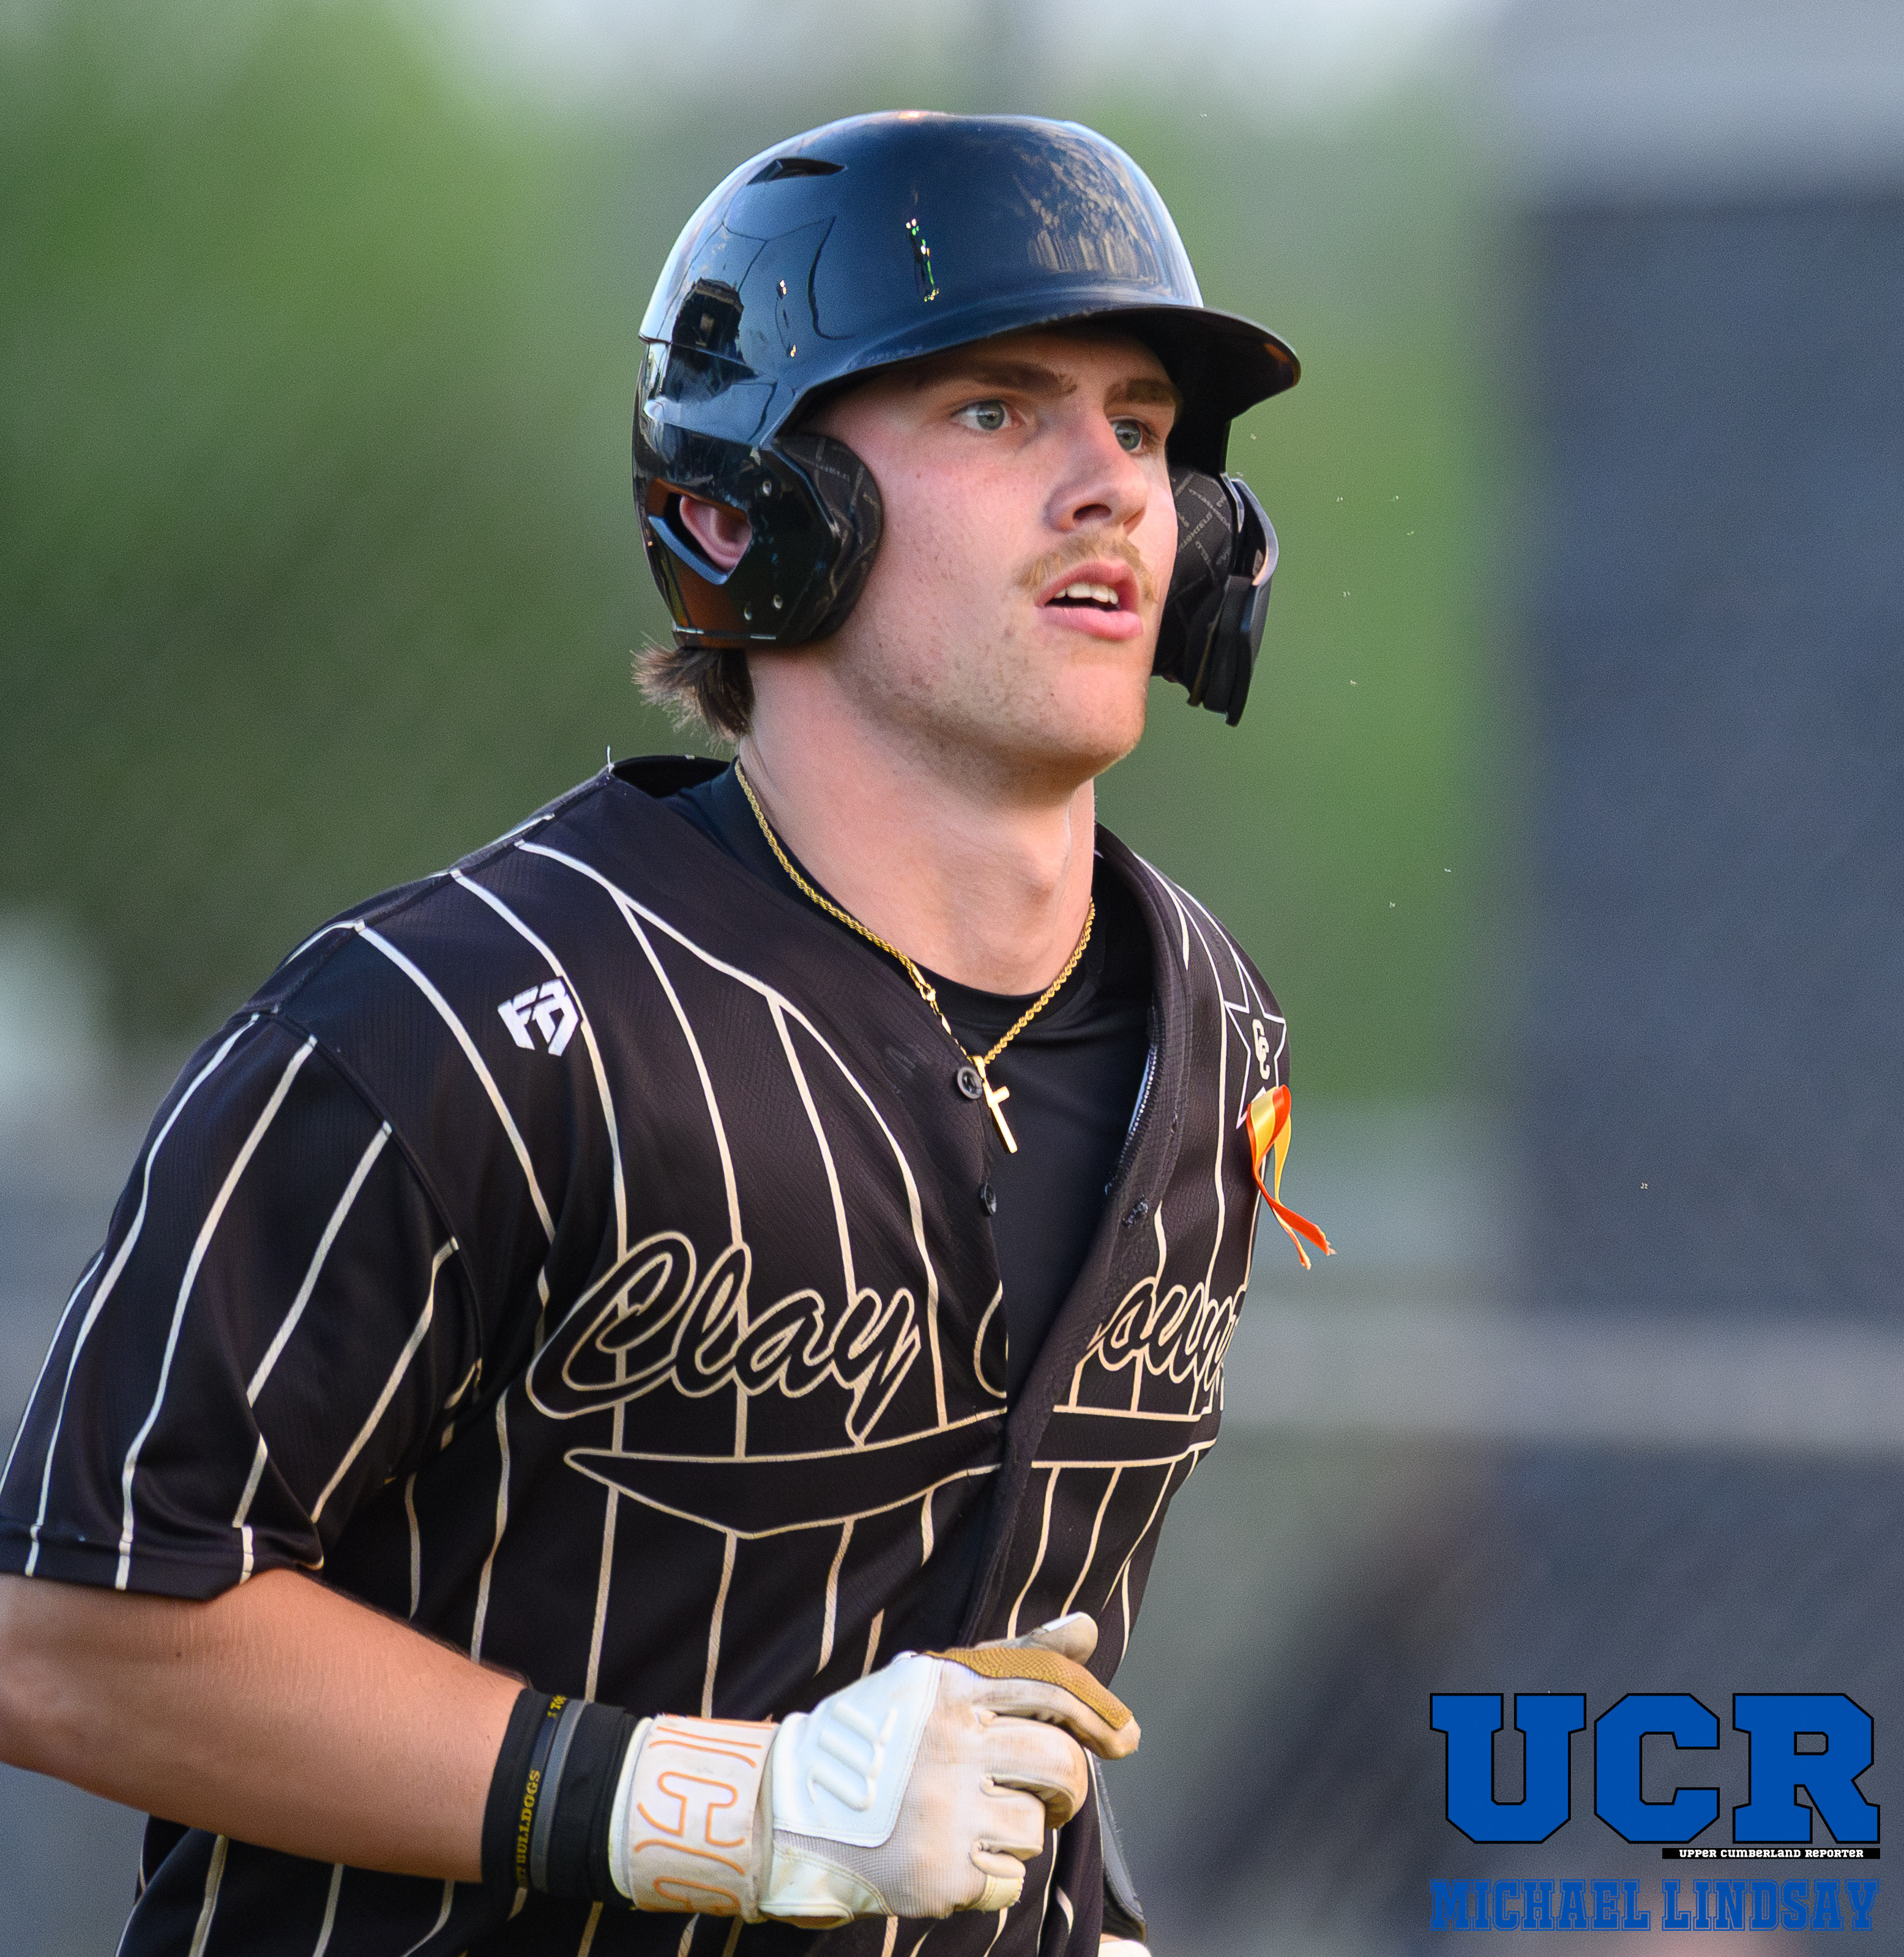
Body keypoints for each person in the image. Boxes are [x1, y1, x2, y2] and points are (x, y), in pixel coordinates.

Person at [0, 111, 1324, 1956]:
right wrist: (717, 1809)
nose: (1115, 486)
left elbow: (971, 1706)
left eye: (1147, 428)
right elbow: (69, 1641)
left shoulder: (1213, 1035)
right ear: (740, 510)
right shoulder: (446, 1026)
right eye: (996, 412)